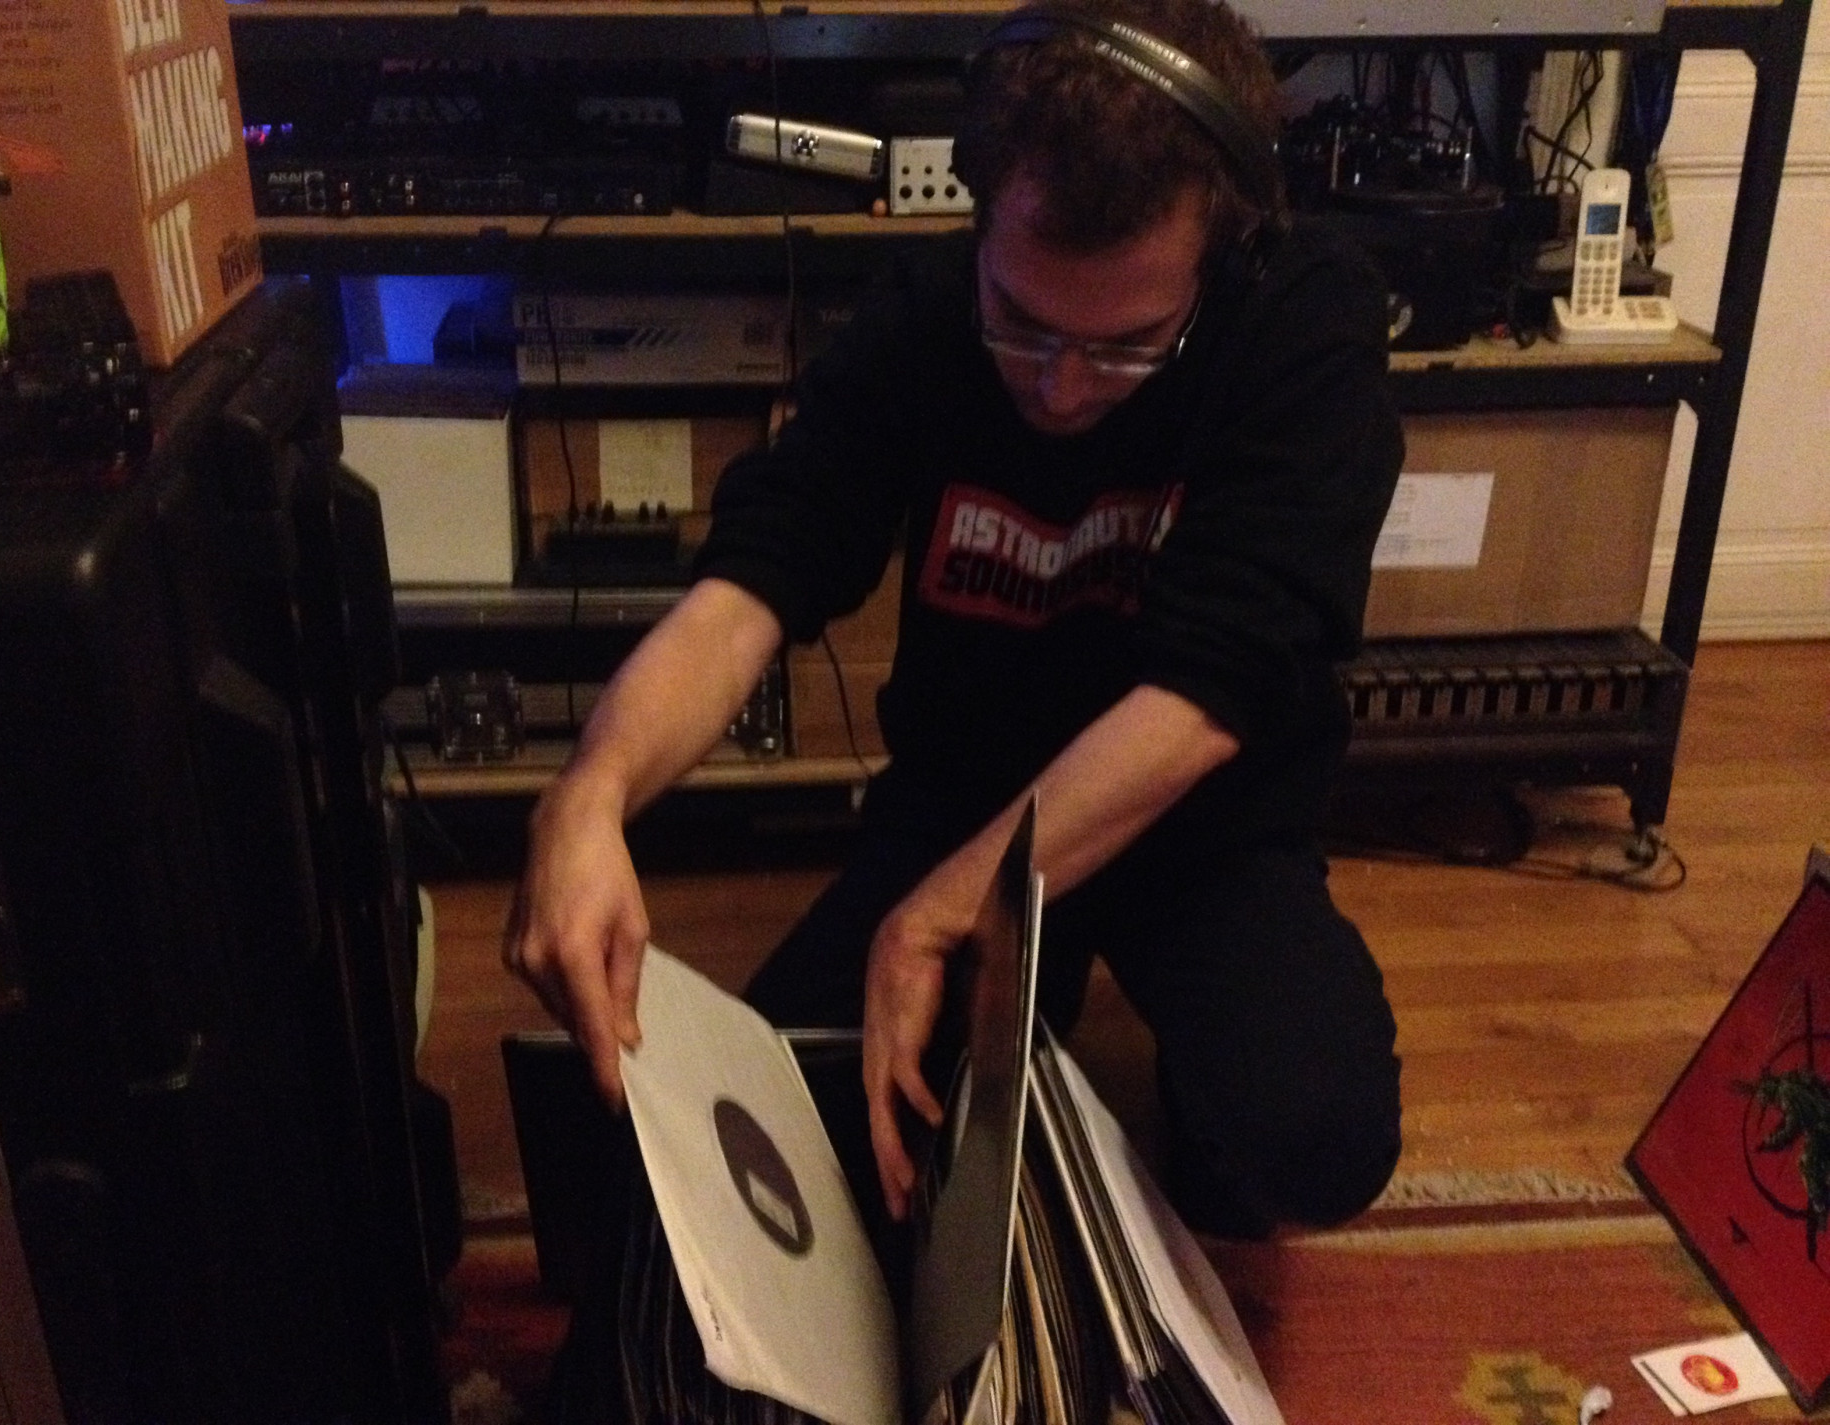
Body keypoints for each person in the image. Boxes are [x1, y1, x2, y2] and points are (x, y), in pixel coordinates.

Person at [506, 0, 1406, 1241]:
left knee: (1304, 1142)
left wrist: (936, 914)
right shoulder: (921, 315)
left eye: (1128, 345)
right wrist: (590, 792)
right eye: (1021, 322)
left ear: (1228, 257)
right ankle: (1026, 1000)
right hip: (960, 803)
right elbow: (758, 580)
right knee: (801, 1152)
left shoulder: (1303, 320)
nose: (1062, 388)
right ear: (979, 221)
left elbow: (1217, 688)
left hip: (1197, 828)